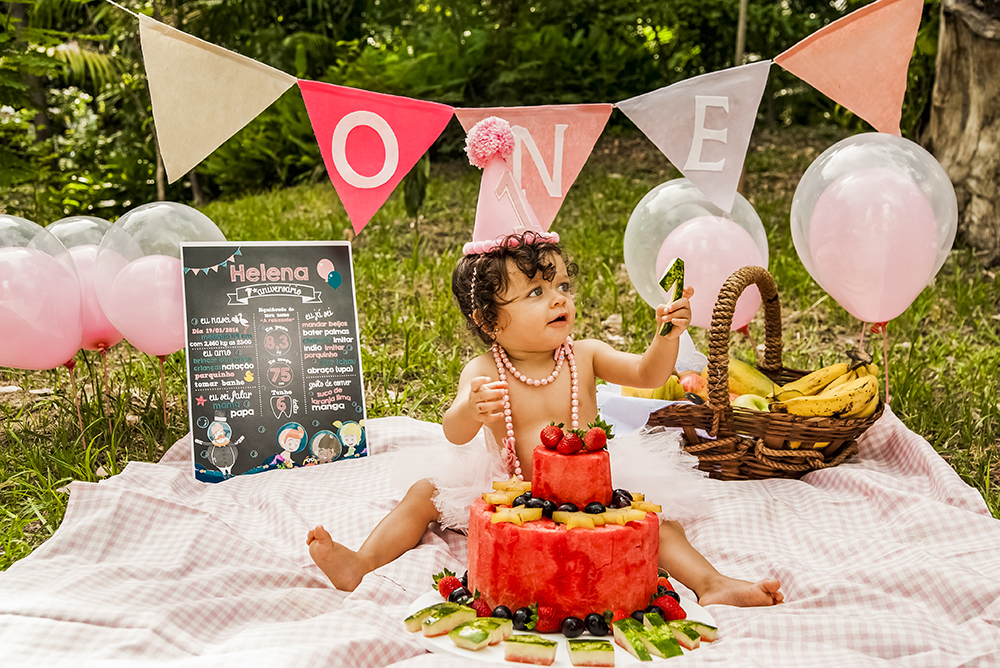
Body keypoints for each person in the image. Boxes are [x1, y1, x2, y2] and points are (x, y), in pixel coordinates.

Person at [307, 118, 782, 607]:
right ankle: (359, 564)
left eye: (561, 286)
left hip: (587, 484)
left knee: (660, 525)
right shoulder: (486, 370)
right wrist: (473, 409)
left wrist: (667, 335)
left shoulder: (585, 355)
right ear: (489, 320)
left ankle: (712, 583)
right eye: (536, 292)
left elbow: (647, 374)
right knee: (423, 494)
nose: (558, 299)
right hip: (508, 485)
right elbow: (453, 431)